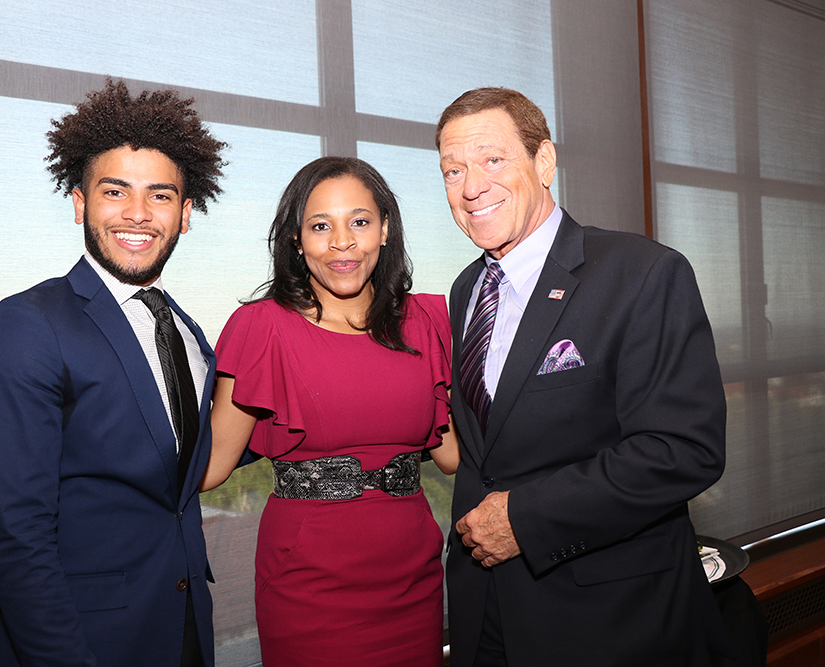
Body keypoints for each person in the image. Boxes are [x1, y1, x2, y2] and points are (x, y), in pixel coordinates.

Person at [437, 87, 730, 666]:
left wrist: (524, 518)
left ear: (544, 161)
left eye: (492, 159)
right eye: (453, 170)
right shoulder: (467, 290)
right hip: (486, 609)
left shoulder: (644, 273)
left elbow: (683, 449)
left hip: (609, 619)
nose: (471, 187)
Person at [0, 79, 227, 667]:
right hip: (79, 643)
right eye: (115, 191)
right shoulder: (28, 324)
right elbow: (18, 535)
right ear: (81, 203)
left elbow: (179, 473)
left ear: (185, 215)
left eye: (160, 196)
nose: (138, 214)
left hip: (182, 629)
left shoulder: (185, 331)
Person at [200, 156, 458, 667]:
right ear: (296, 240)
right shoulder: (261, 327)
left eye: (359, 222)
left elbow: (451, 457)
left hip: (415, 572)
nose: (343, 242)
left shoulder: (427, 319)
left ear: (384, 229)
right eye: (321, 226)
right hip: (308, 581)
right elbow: (211, 468)